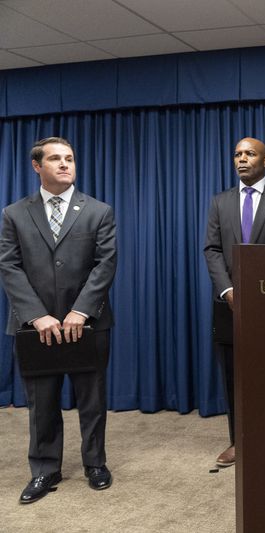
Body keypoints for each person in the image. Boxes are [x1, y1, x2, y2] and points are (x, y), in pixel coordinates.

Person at [0, 137, 117, 504]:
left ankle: (95, 463)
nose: (65, 164)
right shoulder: (14, 213)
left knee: (92, 398)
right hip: (36, 327)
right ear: (38, 166)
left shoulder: (99, 211)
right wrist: (37, 316)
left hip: (88, 322)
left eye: (69, 158)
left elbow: (105, 264)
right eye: (55, 159)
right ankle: (45, 469)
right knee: (42, 401)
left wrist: (80, 311)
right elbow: (9, 265)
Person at [203, 137, 265, 467]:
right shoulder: (220, 202)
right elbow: (212, 250)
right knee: (234, 379)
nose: (242, 159)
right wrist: (228, 291)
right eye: (237, 154)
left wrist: (262, 295)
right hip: (228, 307)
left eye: (249, 154)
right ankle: (238, 442)